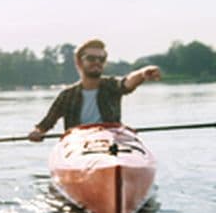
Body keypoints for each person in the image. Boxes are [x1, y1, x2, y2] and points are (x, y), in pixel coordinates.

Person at [27, 39, 162, 142]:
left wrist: (143, 73)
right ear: (79, 63)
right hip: (78, 144)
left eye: (101, 59)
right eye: (91, 58)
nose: (97, 62)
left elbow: (127, 83)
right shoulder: (67, 95)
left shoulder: (111, 86)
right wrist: (37, 132)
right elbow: (45, 124)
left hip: (111, 140)